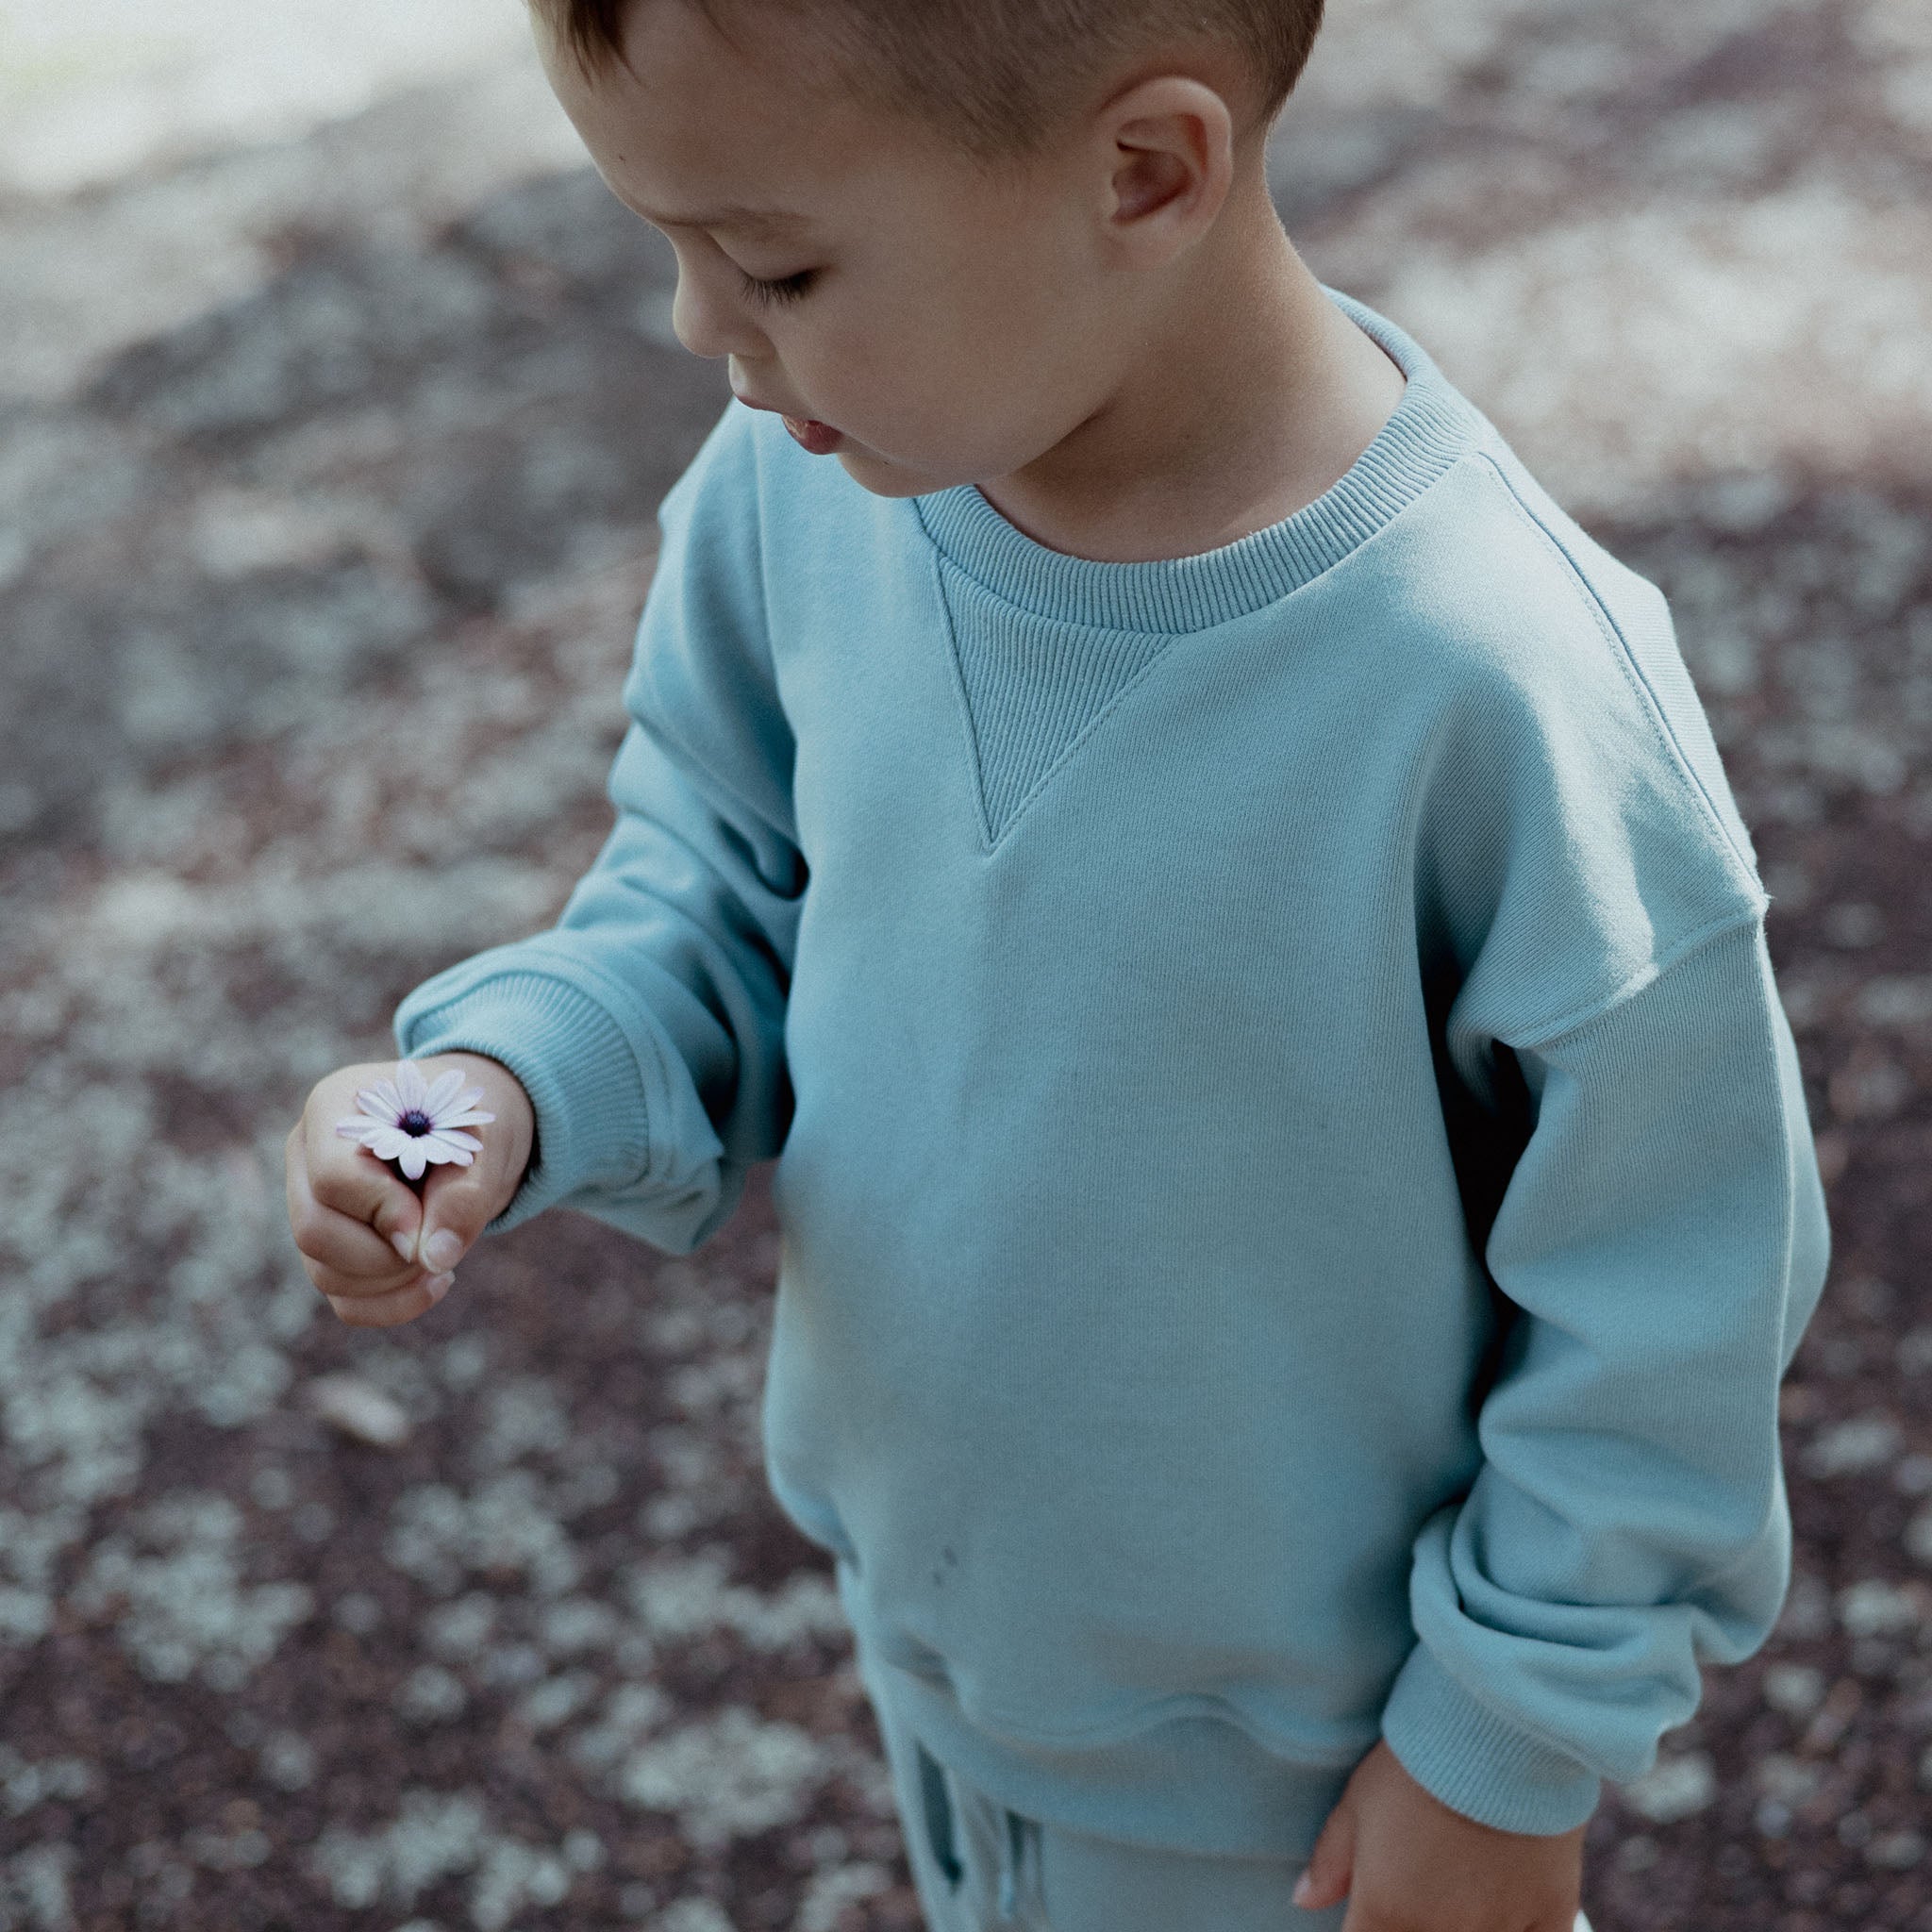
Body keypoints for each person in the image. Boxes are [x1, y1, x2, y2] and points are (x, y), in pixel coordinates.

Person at [284, 0, 1830, 1925]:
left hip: (1320, 1793)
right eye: (669, 245)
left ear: (1143, 172)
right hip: (956, 1675)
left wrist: (1505, 1746)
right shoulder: (805, 490)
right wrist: (506, 1083)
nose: (699, 329)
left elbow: (1669, 1274)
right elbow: (714, 900)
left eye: (773, 262)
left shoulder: (1492, 676)